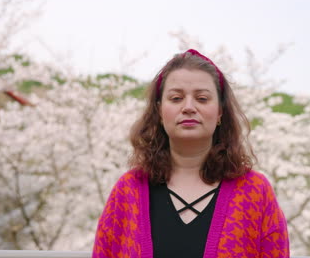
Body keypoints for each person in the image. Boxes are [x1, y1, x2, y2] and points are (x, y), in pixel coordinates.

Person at [92, 49, 289, 257]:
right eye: (176, 98)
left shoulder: (256, 192)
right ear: (159, 111)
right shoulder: (127, 191)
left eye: (202, 99)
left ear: (220, 111)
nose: (188, 107)